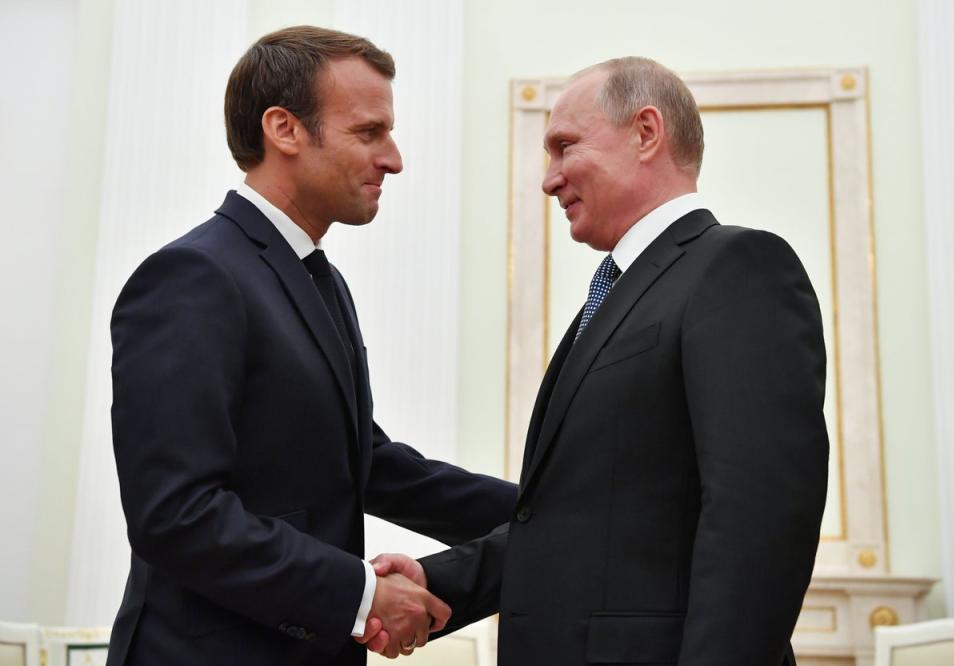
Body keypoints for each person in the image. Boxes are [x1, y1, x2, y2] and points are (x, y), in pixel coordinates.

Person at [369, 57, 829, 665]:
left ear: (646, 132)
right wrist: (440, 582)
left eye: (565, 147)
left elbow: (760, 521)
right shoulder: (619, 291)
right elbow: (582, 522)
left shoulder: (739, 268)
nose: (549, 178)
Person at [105, 25, 516, 666]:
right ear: (285, 129)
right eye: (368, 132)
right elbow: (175, 514)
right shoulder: (192, 277)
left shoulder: (320, 281)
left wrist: (553, 514)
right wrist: (362, 594)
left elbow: (367, 464)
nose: (394, 158)